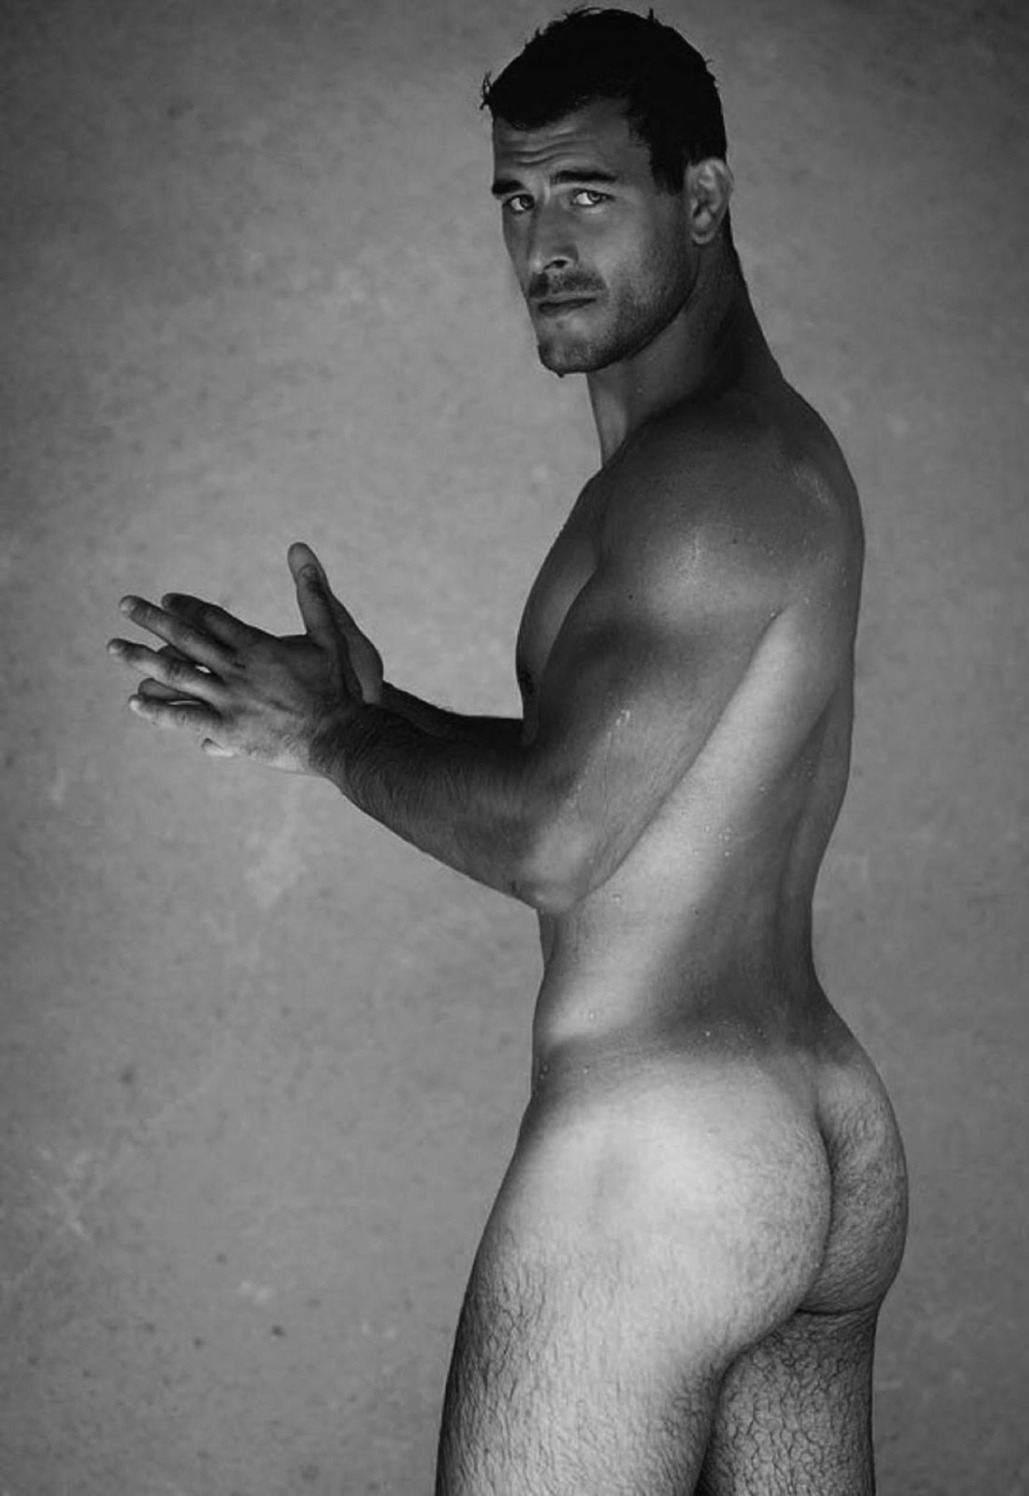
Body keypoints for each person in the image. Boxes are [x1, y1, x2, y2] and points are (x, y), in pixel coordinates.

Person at [108, 9, 908, 1492]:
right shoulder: (752, 458)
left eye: (588, 194)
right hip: (804, 1120)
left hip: (663, 1161)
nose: (544, 241)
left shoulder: (706, 476)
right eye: (517, 199)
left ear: (704, 201)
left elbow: (557, 839)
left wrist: (337, 737)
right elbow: (639, 786)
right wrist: (371, 713)